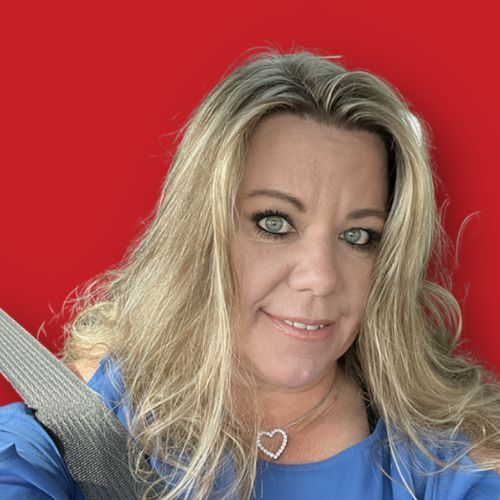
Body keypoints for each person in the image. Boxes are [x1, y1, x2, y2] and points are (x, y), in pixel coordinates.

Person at [0, 48, 499, 499]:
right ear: (202, 232)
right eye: (274, 223)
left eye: (358, 236)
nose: (321, 277)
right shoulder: (80, 429)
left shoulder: (449, 466)